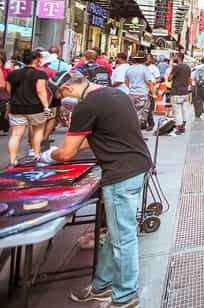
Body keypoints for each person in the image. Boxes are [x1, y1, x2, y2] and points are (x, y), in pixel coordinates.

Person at [41, 71, 151, 307]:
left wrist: (49, 155)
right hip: (137, 166)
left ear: (68, 90)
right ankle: (102, 285)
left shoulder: (85, 107)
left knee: (123, 238)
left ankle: (125, 295)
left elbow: (68, 152)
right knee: (116, 234)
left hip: (120, 174)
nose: (63, 102)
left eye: (61, 96)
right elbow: (92, 138)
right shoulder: (117, 94)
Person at [6, 49, 50, 166]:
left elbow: (9, 91)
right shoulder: (40, 74)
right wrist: (46, 106)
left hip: (16, 107)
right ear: (36, 60)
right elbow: (41, 91)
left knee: (16, 134)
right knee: (38, 131)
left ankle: (12, 160)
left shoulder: (13, 74)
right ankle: (36, 155)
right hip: (35, 107)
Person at [125, 53, 156, 130]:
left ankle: (133, 131)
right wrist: (153, 93)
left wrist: (131, 88)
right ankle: (138, 133)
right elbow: (149, 82)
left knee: (133, 114)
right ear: (144, 60)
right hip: (142, 93)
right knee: (141, 115)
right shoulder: (145, 69)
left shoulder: (129, 68)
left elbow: (126, 81)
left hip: (132, 93)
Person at [167, 53, 192, 133]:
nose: (174, 58)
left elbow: (169, 78)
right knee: (184, 110)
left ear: (178, 57)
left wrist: (171, 68)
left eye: (175, 56)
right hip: (185, 92)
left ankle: (178, 127)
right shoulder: (188, 67)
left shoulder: (176, 67)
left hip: (176, 92)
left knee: (177, 110)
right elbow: (189, 80)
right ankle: (183, 126)